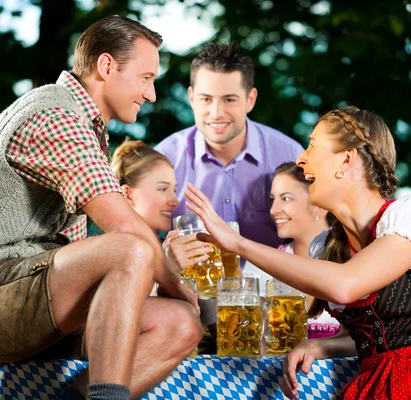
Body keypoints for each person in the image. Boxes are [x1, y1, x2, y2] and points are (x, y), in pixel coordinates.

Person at [0, 16, 202, 400]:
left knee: (181, 324)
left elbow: (77, 258)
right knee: (131, 247)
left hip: (17, 294)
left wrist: (182, 304)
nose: (151, 94)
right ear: (106, 67)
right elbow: (126, 232)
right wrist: (182, 287)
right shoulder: (56, 116)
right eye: (145, 77)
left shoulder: (83, 127)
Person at [184, 106, 411, 399]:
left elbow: (344, 285)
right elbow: (371, 340)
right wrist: (318, 347)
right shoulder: (326, 247)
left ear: (346, 160)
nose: (300, 159)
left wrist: (238, 243)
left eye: (312, 145)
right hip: (375, 386)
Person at [155, 42, 304, 254]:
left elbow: (316, 231)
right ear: (191, 98)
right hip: (190, 286)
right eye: (206, 99)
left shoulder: (289, 155)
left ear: (250, 100)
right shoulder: (164, 159)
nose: (216, 113)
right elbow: (141, 234)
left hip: (273, 284)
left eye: (229, 100)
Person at [270, 162, 340, 339]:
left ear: (320, 204)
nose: (273, 210)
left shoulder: (353, 257)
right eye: (273, 199)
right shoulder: (264, 265)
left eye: (286, 198)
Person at [111, 139, 179, 233]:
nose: (175, 202)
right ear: (128, 194)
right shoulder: (124, 246)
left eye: (174, 190)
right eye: (163, 189)